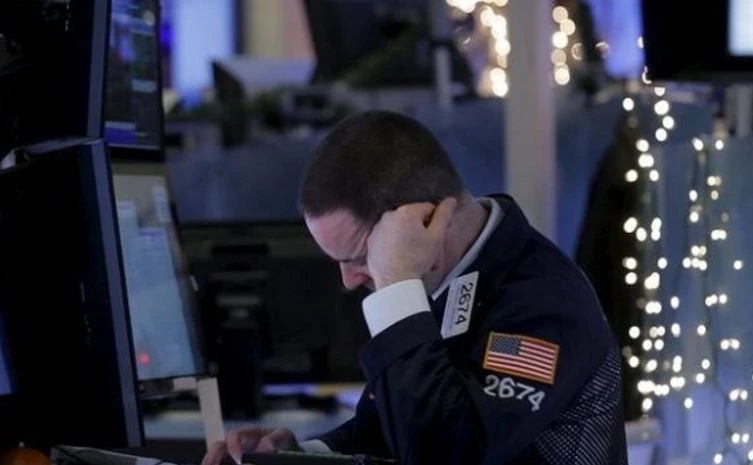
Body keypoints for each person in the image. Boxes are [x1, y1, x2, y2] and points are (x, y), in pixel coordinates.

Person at [202, 110, 628, 465]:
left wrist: (396, 285)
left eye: (359, 258)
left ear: (421, 223)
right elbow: (396, 426)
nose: (349, 281)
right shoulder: (447, 278)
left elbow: (446, 454)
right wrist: (305, 455)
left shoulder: (543, 299)